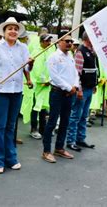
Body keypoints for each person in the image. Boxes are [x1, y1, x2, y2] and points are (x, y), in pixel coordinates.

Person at [0, 17, 33, 174]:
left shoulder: (23, 47)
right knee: (0, 126)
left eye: (16, 29)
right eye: (10, 28)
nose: (13, 31)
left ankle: (11, 158)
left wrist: (31, 64)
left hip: (16, 91)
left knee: (11, 126)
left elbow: (27, 69)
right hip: (0, 91)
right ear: (4, 31)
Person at [42, 32, 78, 163]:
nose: (69, 43)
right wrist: (69, 87)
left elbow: (75, 74)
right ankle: (46, 151)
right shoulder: (53, 57)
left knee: (65, 121)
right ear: (59, 42)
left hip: (69, 94)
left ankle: (59, 148)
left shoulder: (71, 56)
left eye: (71, 42)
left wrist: (75, 86)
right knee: (52, 121)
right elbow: (55, 76)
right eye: (66, 41)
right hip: (57, 93)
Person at [66, 32, 97, 151]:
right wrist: (79, 89)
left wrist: (94, 84)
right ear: (88, 38)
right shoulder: (80, 52)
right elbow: (77, 73)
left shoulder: (91, 51)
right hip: (82, 89)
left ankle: (80, 138)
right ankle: (71, 140)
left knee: (84, 115)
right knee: (76, 115)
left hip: (89, 88)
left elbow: (93, 69)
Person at [29, 34, 53, 140]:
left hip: (47, 85)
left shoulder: (49, 52)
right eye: (47, 41)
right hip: (38, 85)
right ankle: (33, 129)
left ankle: (43, 129)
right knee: (35, 107)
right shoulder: (36, 52)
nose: (49, 43)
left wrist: (50, 80)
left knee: (44, 107)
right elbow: (37, 70)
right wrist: (44, 80)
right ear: (42, 41)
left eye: (50, 41)